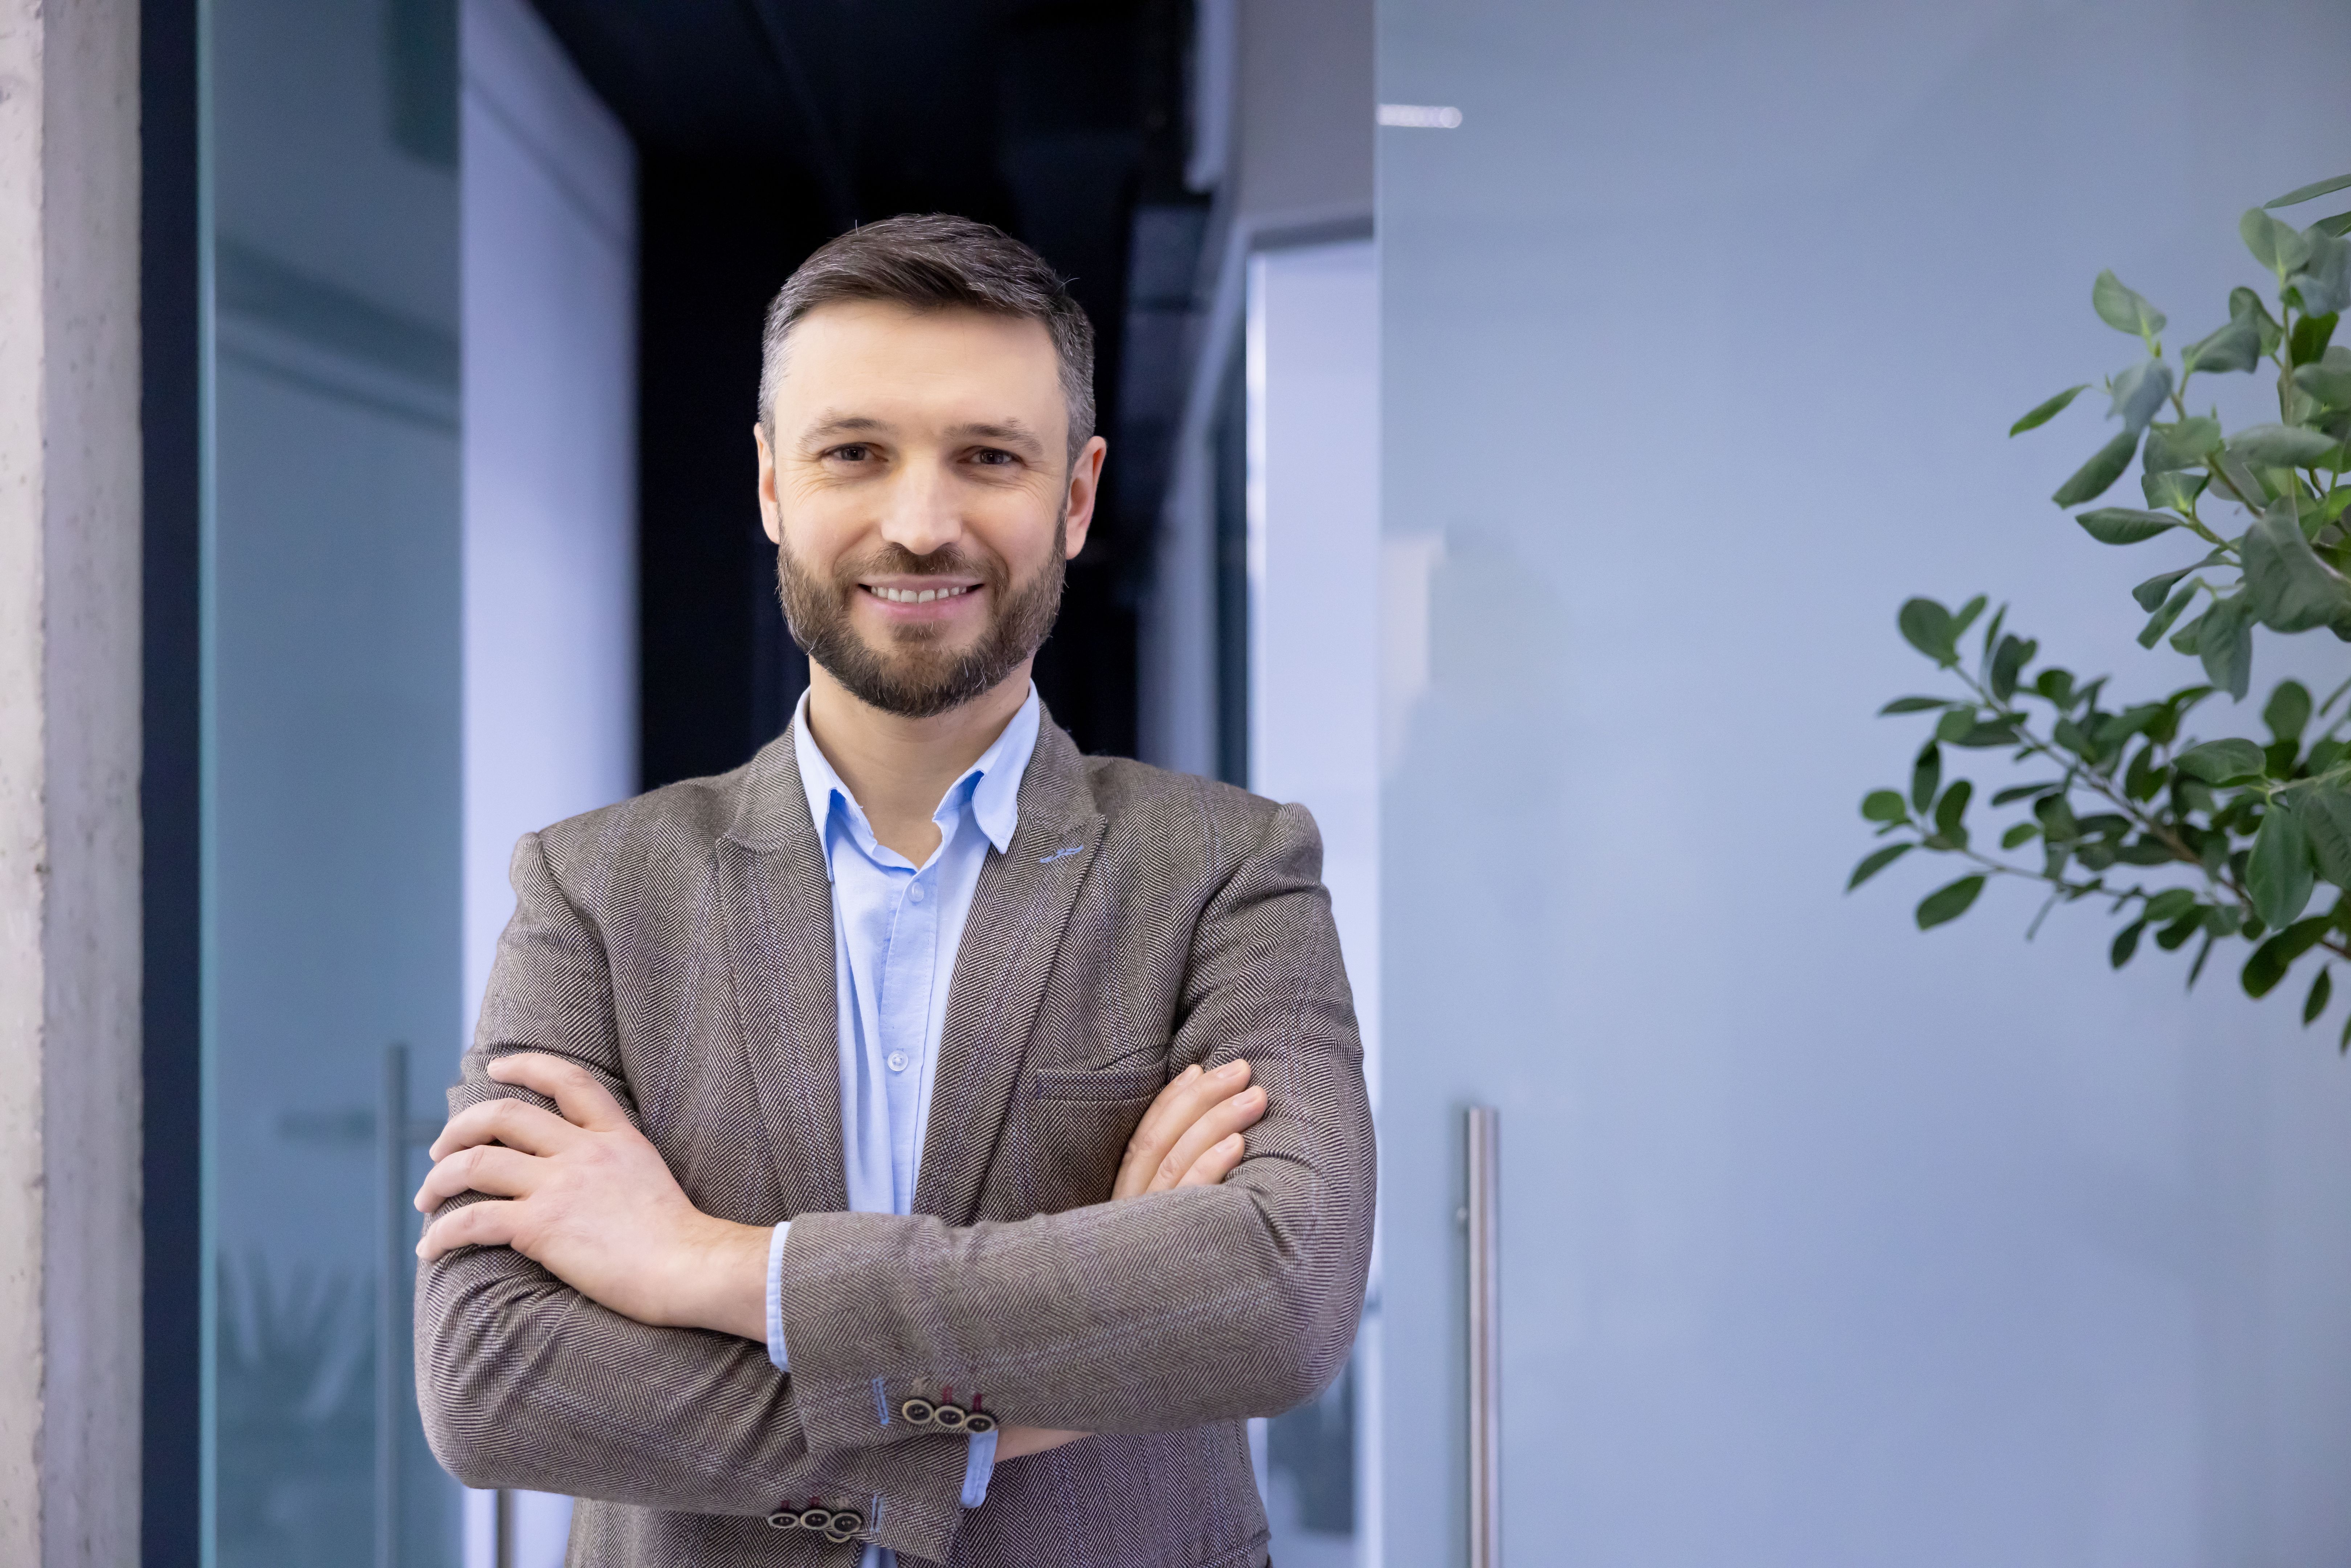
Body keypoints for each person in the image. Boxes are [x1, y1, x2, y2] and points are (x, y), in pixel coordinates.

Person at [412, 213, 1374, 1567]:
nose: (920, 526)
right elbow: (493, 1379)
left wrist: (713, 1267)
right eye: (855, 453)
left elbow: (1282, 1292)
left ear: (1078, 498)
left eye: (988, 457)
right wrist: (1007, 1403)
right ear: (770, 487)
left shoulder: (1226, 871)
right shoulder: (594, 890)